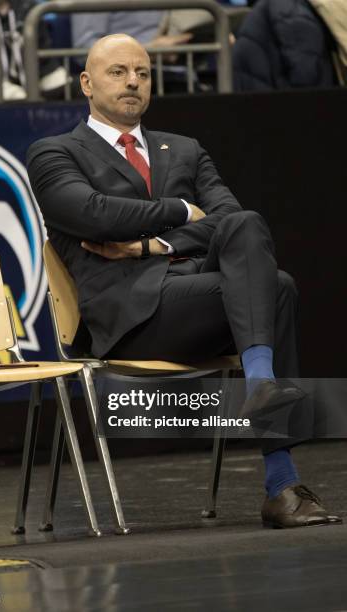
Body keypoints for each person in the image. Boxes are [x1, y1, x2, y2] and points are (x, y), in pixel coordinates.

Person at [27, 34, 342, 528]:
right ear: (86, 83)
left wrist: (155, 243)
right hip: (130, 316)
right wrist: (178, 211)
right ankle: (280, 476)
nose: (133, 81)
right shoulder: (54, 153)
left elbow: (230, 218)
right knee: (273, 286)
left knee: (255, 242)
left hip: (196, 299)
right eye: (118, 72)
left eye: (143, 72)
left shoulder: (186, 150)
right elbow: (92, 214)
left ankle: (265, 409)